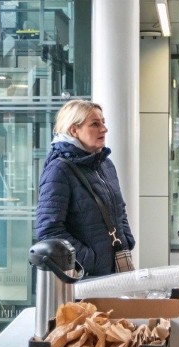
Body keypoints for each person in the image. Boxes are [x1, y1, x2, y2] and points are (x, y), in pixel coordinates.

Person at [36, 100, 135, 277]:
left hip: (115, 267)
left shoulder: (105, 164)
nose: (104, 129)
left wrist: (126, 241)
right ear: (74, 130)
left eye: (103, 122)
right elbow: (48, 230)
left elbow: (119, 208)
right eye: (95, 124)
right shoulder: (59, 170)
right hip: (87, 276)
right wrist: (89, 260)